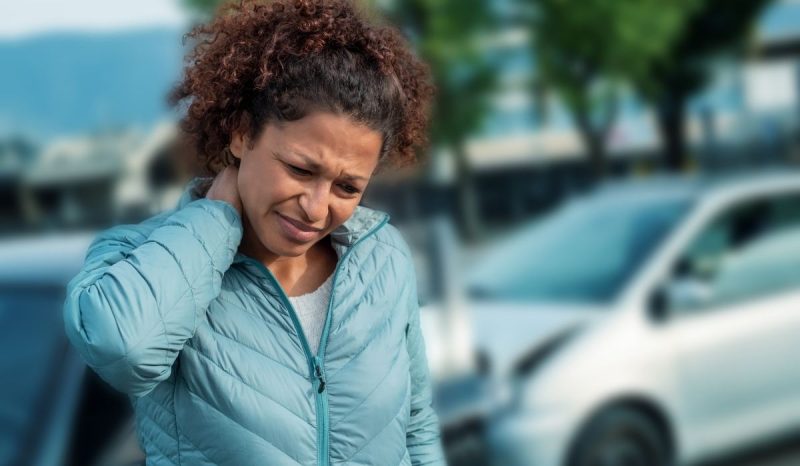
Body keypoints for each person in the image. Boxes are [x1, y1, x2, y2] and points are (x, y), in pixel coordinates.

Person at [62, 0, 444, 464]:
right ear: (242, 134)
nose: (316, 207)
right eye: (301, 169)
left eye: (347, 186)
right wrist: (215, 218)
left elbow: (416, 426)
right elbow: (123, 352)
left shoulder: (382, 255)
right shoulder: (138, 257)